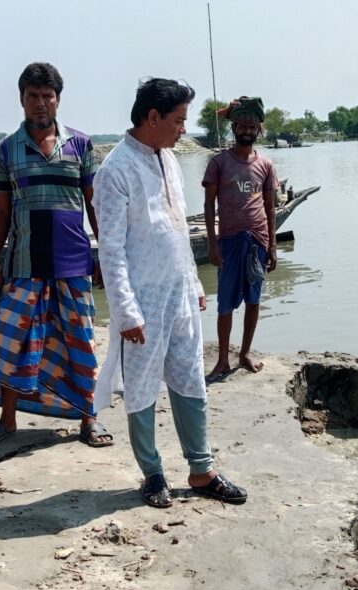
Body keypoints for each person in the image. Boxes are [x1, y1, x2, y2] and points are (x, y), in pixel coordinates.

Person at [93, 78, 247, 509]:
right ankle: (153, 473)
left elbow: (178, 229)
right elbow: (111, 249)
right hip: (142, 299)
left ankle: (202, 469)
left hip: (178, 293)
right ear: (152, 117)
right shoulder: (116, 170)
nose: (184, 129)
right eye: (178, 121)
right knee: (141, 387)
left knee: (189, 377)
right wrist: (126, 311)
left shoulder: (170, 160)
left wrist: (194, 283)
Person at [0, 62, 112, 449]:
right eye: (33, 96)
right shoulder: (7, 149)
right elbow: (1, 212)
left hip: (73, 262)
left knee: (80, 343)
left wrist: (106, 257)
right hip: (23, 264)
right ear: (21, 99)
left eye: (47, 96)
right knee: (14, 344)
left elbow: (94, 206)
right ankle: (7, 421)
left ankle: (89, 419)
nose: (40, 103)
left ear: (58, 100)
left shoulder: (81, 145)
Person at [201, 96, 279, 383]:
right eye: (242, 125)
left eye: (252, 126)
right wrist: (212, 243)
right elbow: (209, 205)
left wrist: (272, 246)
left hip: (258, 241)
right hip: (229, 240)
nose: (247, 130)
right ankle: (223, 359)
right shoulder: (219, 163)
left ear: (259, 130)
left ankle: (245, 353)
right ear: (234, 127)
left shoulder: (266, 164)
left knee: (254, 300)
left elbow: (270, 207)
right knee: (225, 302)